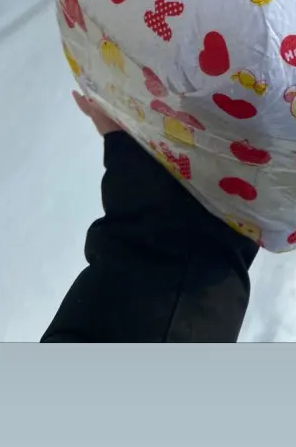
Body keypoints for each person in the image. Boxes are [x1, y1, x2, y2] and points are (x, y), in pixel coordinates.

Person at [40, 106, 258, 343]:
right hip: (216, 202)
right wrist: (125, 147)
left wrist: (122, 147)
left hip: (225, 202)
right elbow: (165, 267)